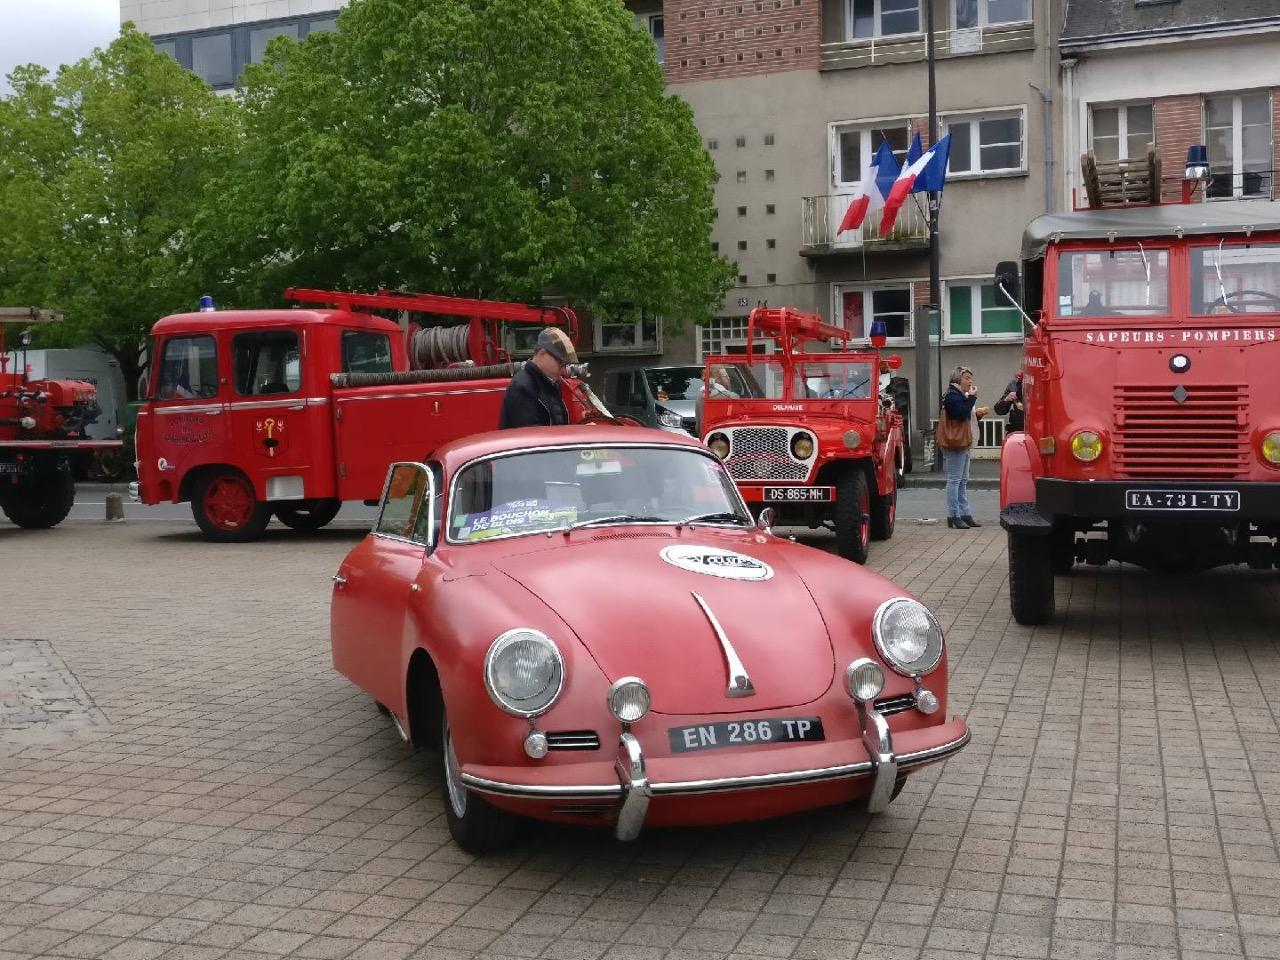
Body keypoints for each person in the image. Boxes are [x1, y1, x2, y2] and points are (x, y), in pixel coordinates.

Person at [938, 366, 987, 530]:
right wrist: (972, 398)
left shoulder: (959, 395)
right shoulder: (952, 395)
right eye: (966, 378)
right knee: (954, 480)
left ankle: (965, 514)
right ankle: (953, 515)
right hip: (955, 443)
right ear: (957, 379)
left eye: (970, 378)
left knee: (963, 480)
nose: (970, 381)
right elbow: (960, 413)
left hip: (963, 441)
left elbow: (964, 413)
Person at [498, 327, 577, 429]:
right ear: (542, 353)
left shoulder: (551, 383)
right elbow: (533, 436)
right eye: (560, 363)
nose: (564, 371)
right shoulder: (522, 388)